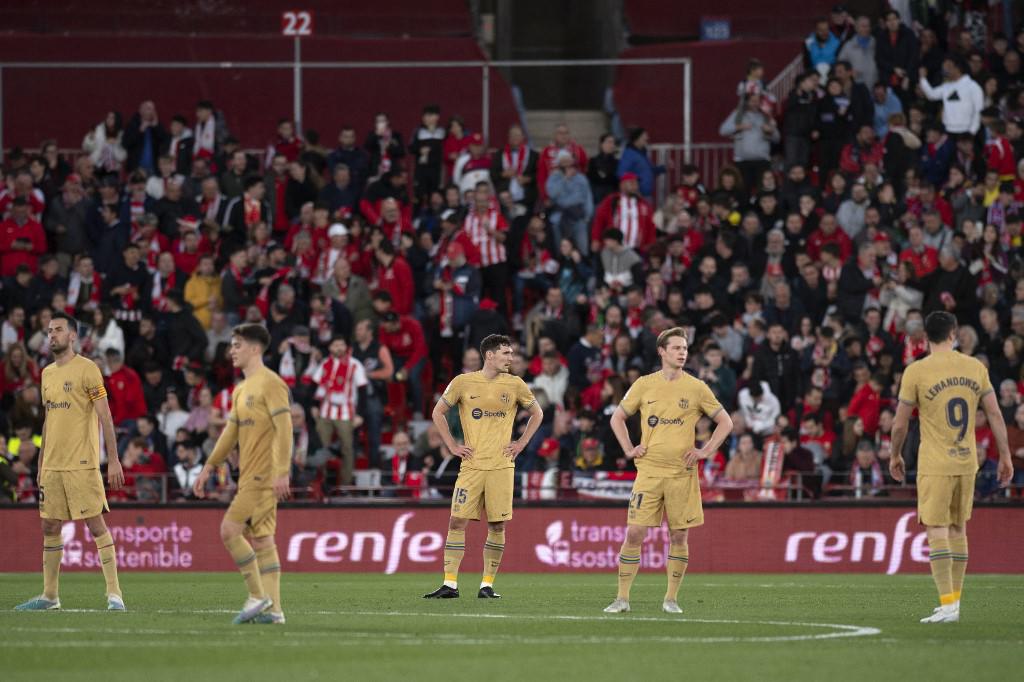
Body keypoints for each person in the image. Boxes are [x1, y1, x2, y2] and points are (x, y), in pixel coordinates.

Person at [889, 311, 1014, 624]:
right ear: (953, 333)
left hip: (935, 462)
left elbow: (900, 424)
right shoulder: (975, 367)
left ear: (925, 338)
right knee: (959, 528)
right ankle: (952, 604)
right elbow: (996, 414)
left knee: (937, 529)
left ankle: (947, 605)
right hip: (967, 461)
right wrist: (1005, 456)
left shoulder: (916, 371)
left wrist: (894, 455)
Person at [604, 327, 733, 614]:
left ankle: (671, 599)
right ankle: (622, 598)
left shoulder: (697, 387)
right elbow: (617, 418)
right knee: (635, 532)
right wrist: (628, 448)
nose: (682, 352)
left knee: (679, 536)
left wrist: (705, 451)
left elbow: (725, 422)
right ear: (662, 351)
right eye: (676, 348)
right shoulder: (644, 384)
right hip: (648, 472)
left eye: (685, 348)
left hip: (681, 474)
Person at [15, 311, 127, 611]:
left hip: (81, 462)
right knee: (50, 525)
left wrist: (113, 460)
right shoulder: (46, 374)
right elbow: (49, 422)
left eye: (59, 330)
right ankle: (50, 596)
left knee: (95, 524)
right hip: (52, 464)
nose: (52, 335)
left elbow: (105, 416)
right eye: (49, 330)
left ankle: (115, 594)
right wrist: (40, 463)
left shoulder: (88, 369)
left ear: (73, 335)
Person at [423, 334, 543, 599]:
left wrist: (521, 443)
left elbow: (538, 413)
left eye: (511, 354)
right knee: (456, 520)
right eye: (506, 353)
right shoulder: (463, 382)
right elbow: (437, 412)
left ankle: (487, 585)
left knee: (497, 525)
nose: (511, 358)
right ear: (490, 355)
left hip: (501, 466)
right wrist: (453, 446)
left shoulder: (515, 384)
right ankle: (450, 584)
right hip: (472, 466)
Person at [191, 323, 293, 624]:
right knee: (262, 541)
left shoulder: (271, 383)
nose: (231, 351)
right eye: (231, 345)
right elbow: (230, 433)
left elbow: (285, 428)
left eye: (237, 345)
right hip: (248, 476)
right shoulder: (240, 389)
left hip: (263, 476)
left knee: (229, 530)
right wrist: (209, 466)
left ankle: (256, 595)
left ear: (255, 348)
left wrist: (282, 471)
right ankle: (274, 610)